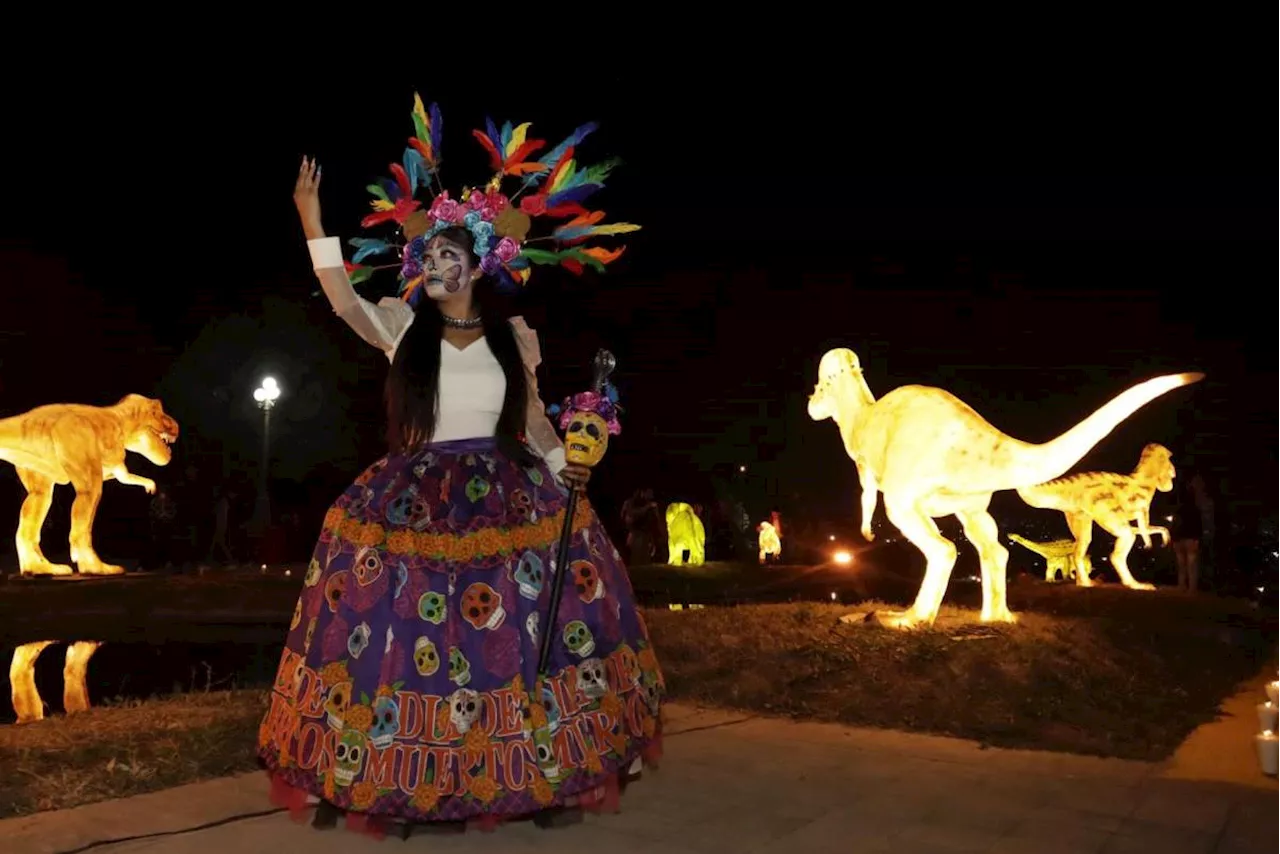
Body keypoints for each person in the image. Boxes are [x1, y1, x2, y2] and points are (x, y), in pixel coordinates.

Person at [257, 96, 664, 837]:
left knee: (517, 631)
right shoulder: (402, 326)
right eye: (430, 258)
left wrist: (562, 465)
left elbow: (535, 416)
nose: (437, 266)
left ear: (479, 266)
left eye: (451, 258)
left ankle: (542, 776)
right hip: (416, 490)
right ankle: (396, 781)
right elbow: (341, 299)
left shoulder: (515, 336)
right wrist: (312, 222)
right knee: (410, 640)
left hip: (512, 489)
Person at [1170, 471, 1207, 592]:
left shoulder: (1179, 507)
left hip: (1180, 537)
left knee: (1182, 565)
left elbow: (1176, 522)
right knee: (1191, 564)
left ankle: (1182, 586)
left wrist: (1173, 537)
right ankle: (1191, 587)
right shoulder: (1195, 507)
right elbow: (1198, 522)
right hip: (1189, 537)